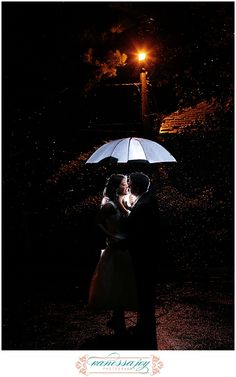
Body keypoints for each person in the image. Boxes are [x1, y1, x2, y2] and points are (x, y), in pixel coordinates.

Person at [88, 174, 138, 335]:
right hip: (116, 245)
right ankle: (118, 318)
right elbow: (97, 221)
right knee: (115, 281)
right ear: (117, 187)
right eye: (124, 184)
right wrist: (109, 234)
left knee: (125, 281)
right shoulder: (109, 206)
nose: (127, 186)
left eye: (127, 183)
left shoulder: (127, 201)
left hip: (127, 246)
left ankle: (118, 317)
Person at [126, 172, 160, 349]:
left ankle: (144, 332)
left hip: (143, 257)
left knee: (144, 293)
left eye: (130, 183)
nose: (128, 186)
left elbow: (140, 233)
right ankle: (143, 328)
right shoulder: (145, 200)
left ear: (137, 185)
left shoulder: (145, 204)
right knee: (144, 293)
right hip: (146, 256)